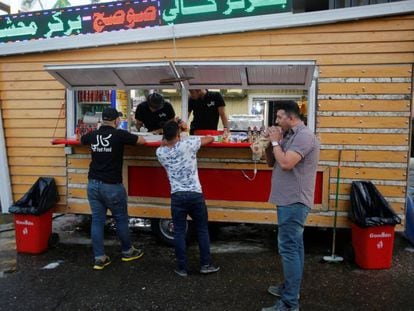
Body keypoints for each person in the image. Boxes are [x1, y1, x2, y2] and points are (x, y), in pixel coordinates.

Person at [261, 101, 320, 311]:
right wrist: (270, 143)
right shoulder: (288, 135)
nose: (276, 121)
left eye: (279, 117)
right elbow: (272, 162)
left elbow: (286, 163)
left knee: (288, 249)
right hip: (286, 199)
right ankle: (290, 288)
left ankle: (289, 303)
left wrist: (277, 142)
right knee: (295, 247)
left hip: (295, 201)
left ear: (291, 117)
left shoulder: (304, 136)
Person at [81, 107, 146, 270]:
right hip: (111, 186)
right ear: (116, 120)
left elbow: (81, 139)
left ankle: (99, 258)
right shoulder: (119, 134)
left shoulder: (93, 135)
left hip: (93, 184)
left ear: (103, 120)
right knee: (121, 219)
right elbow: (142, 141)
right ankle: (127, 251)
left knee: (97, 220)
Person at [156, 120, 220, 277]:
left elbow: (163, 144)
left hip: (177, 196)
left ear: (164, 135)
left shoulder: (160, 153)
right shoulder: (188, 144)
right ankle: (205, 264)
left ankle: (182, 268)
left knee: (179, 232)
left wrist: (172, 137)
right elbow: (210, 138)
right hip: (195, 194)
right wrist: (185, 134)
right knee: (202, 230)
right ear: (178, 134)